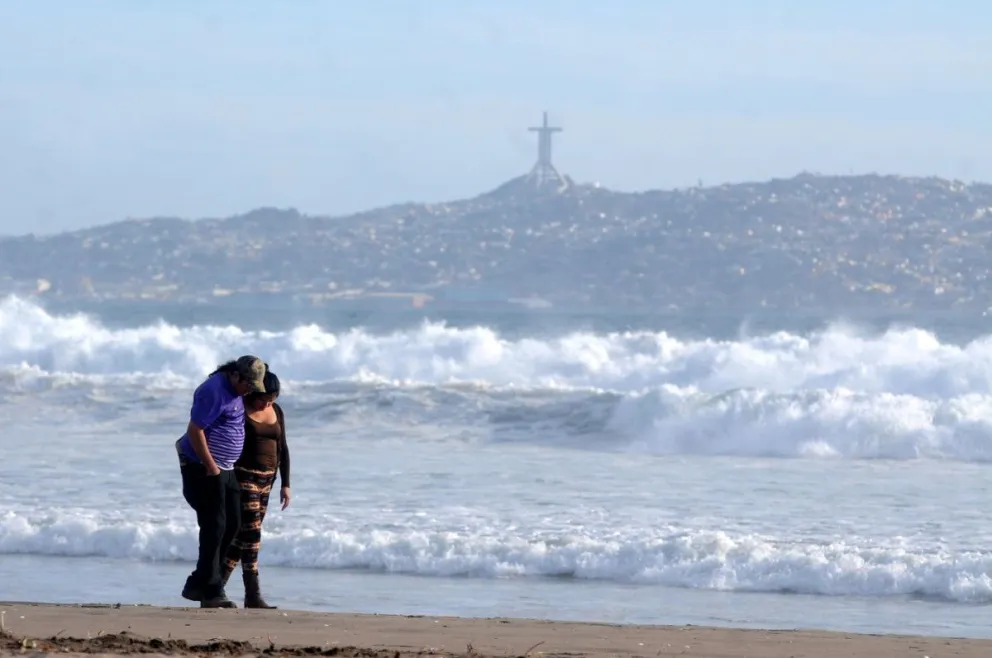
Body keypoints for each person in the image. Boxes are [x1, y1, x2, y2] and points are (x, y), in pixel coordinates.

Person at [175, 355, 267, 609]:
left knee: (234, 523)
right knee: (214, 525)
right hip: (203, 467)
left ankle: (198, 583)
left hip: (224, 468)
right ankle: (211, 590)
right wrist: (211, 466)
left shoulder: (236, 390)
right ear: (235, 375)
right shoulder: (213, 391)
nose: (249, 390)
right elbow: (195, 430)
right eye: (247, 385)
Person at [221, 368, 291, 608]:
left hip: (268, 481)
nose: (267, 404)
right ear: (254, 393)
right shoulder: (240, 408)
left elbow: (283, 448)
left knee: (242, 538)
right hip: (244, 476)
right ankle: (253, 594)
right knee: (252, 534)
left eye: (271, 400)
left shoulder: (276, 412)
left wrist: (286, 484)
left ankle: (216, 585)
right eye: (264, 399)